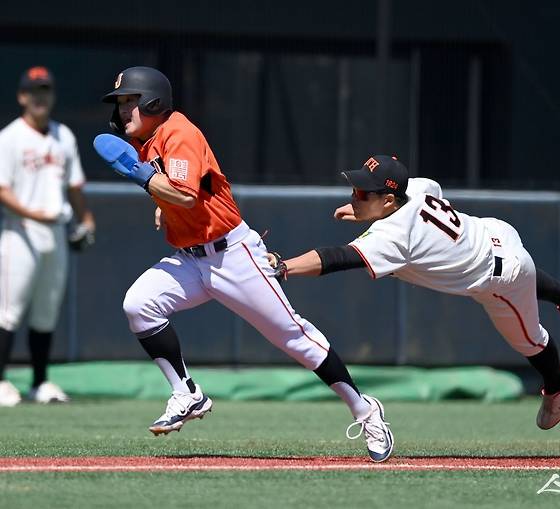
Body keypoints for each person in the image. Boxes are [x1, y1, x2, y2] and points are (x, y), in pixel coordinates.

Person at [93, 66, 393, 462]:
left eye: (130, 99)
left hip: (233, 256)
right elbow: (182, 196)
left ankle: (365, 409)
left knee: (294, 338)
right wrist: (159, 203)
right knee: (139, 304)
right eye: (120, 102)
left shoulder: (177, 132)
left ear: (153, 101)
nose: (122, 109)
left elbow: (183, 196)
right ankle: (186, 393)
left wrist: (141, 177)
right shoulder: (150, 142)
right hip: (191, 259)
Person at [269, 155, 560, 430]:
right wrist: (365, 208)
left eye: (363, 192)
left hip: (500, 279)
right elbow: (423, 192)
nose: (356, 195)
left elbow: (336, 258)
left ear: (387, 201)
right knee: (524, 283)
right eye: (355, 188)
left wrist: (284, 266)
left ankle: (558, 386)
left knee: (530, 340)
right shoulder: (416, 187)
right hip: (493, 232)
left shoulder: (393, 236)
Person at [0, 66, 96, 406]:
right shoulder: (10, 137)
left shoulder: (63, 136)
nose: (40, 97)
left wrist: (85, 218)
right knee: (8, 310)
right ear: (22, 96)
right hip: (19, 231)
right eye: (34, 91)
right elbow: (2, 190)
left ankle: (40, 382)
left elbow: (75, 185)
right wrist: (32, 214)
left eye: (46, 90)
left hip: (56, 231)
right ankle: (0, 381)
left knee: (46, 311)